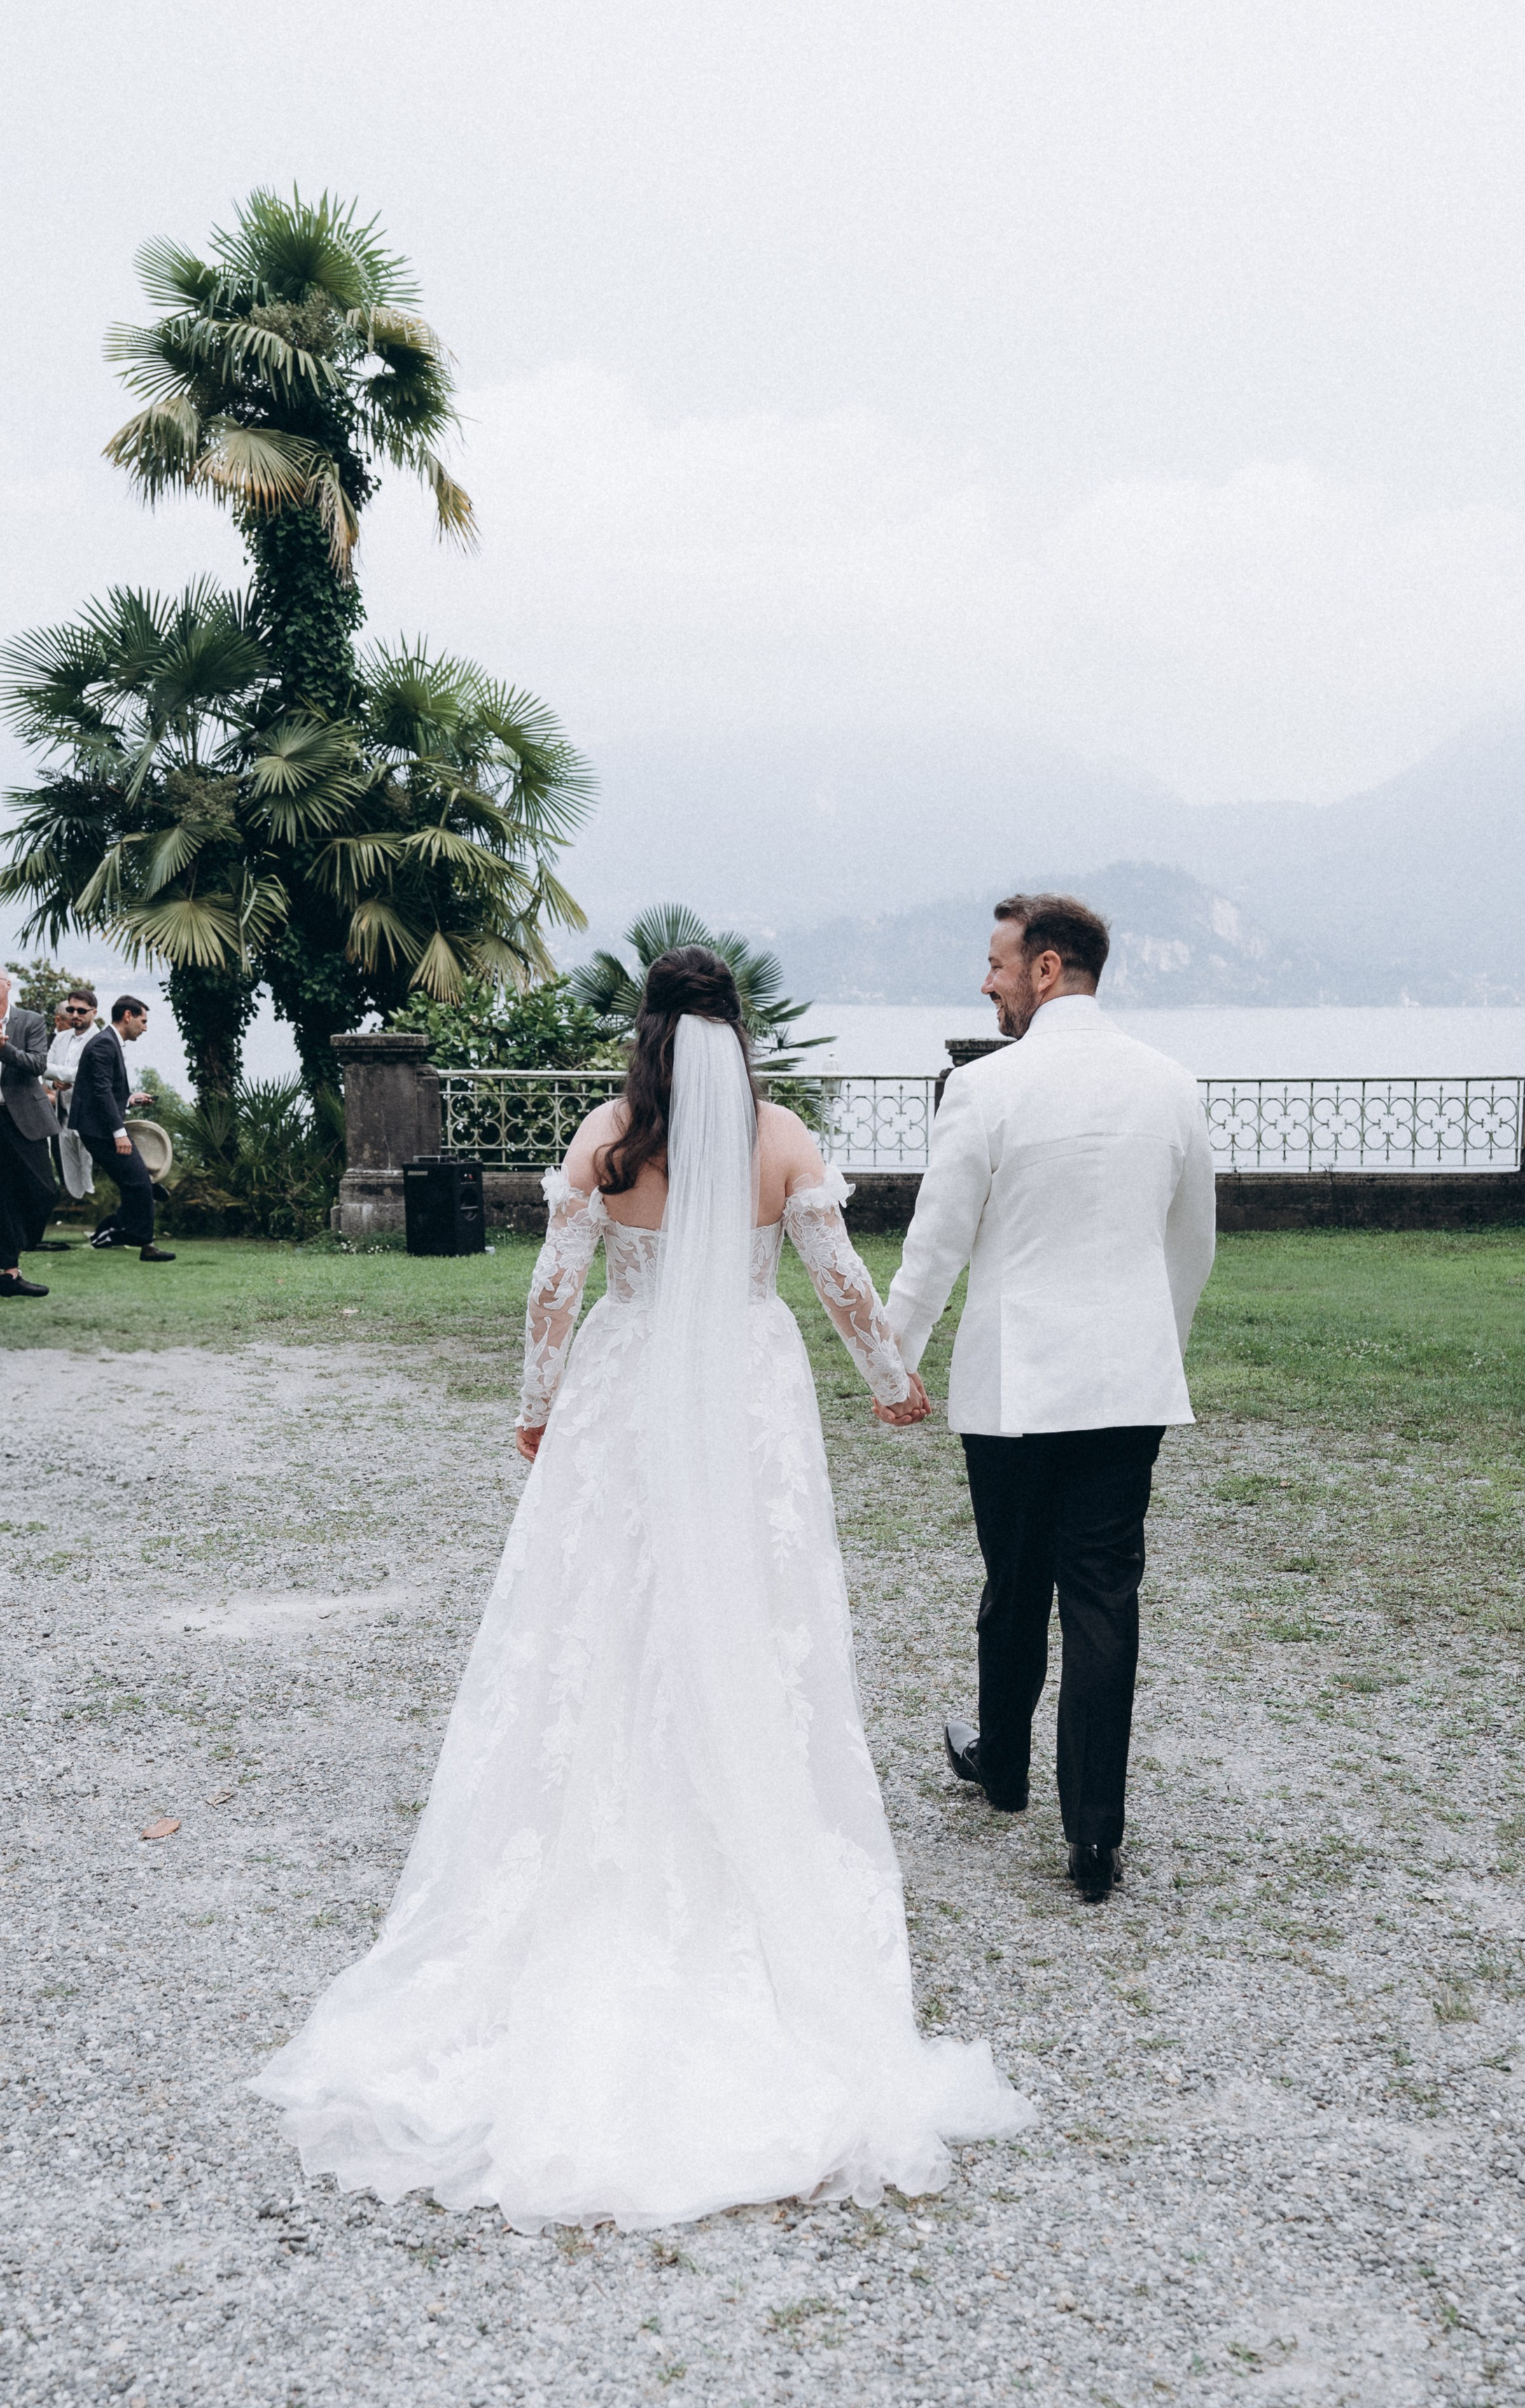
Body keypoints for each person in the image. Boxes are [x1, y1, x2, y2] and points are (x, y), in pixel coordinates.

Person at [253, 945, 1031, 2232]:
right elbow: (838, 1285)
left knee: (601, 1612)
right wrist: (891, 1380)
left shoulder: (607, 1134)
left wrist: (534, 1408)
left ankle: (601, 1828)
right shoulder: (784, 1138)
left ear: (650, 1032)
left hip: (622, 1397)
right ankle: (733, 1822)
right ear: (740, 1031)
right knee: (748, 1612)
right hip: (746, 1397)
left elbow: (556, 1286)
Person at [882, 896, 1216, 1905]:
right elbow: (1191, 1244)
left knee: (1015, 1579)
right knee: (1106, 1594)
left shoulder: (985, 1089)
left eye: (995, 965)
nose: (985, 982)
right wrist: (1163, 1346)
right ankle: (1096, 1836)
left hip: (1014, 1380)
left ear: (1046, 968)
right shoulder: (1172, 1085)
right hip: (1129, 1381)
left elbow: (937, 1241)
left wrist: (892, 1358)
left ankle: (1005, 1768)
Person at [67, 995, 174, 1262]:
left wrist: (129, 1099)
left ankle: (118, 1235)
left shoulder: (109, 1041)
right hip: (99, 1130)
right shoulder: (104, 1043)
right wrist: (120, 1133)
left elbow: (103, 1092)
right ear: (128, 1016)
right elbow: (101, 1093)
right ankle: (127, 1236)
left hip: (99, 1127)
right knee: (139, 1182)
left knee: (136, 1184)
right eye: (143, 1020)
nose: (145, 1027)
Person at [0, 968, 58, 1300]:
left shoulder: (30, 1021)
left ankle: (18, 1246)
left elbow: (38, 1064)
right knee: (2, 1195)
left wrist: (3, 1050)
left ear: (8, 984)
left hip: (24, 1117)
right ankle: (10, 1273)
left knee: (44, 1191)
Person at [44, 985, 102, 1200]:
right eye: (71, 1010)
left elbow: (89, 1076)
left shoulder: (101, 1040)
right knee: (68, 1170)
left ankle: (94, 1210)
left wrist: (65, 1075)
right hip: (63, 1116)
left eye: (81, 1011)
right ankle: (77, 1206)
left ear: (94, 1012)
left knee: (89, 1167)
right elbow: (44, 1070)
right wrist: (56, 1081)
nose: (75, 1015)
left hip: (89, 1118)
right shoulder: (60, 1038)